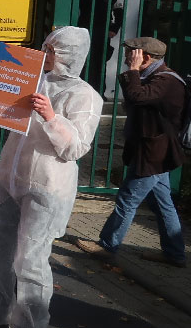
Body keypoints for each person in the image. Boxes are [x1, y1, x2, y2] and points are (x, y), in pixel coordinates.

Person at [0, 27, 103, 328]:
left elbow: (75, 149)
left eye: (51, 49)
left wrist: (50, 116)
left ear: (67, 57)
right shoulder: (31, 78)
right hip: (9, 178)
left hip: (47, 187)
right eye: (45, 46)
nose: (44, 53)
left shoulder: (85, 95)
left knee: (29, 261)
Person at [77, 37, 187, 268]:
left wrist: (133, 71)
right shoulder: (153, 77)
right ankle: (175, 254)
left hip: (153, 154)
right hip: (153, 151)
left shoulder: (167, 81)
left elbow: (136, 97)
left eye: (132, 53)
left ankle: (107, 246)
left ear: (146, 57)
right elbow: (135, 101)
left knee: (127, 200)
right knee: (162, 203)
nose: (127, 56)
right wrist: (135, 73)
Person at [77, 0, 123, 94]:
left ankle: (99, 93)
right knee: (83, 62)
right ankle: (82, 92)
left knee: (100, 63)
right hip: (85, 31)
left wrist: (114, 29)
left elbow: (119, 13)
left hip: (103, 32)